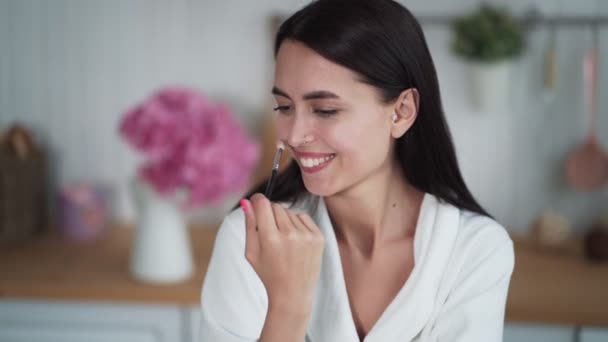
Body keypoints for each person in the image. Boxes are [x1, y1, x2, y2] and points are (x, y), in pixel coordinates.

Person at [199, 0, 514, 341]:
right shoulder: (248, 242)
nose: (293, 134)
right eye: (285, 106)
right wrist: (287, 306)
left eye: (325, 110)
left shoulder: (474, 251)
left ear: (401, 112)